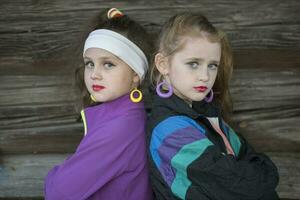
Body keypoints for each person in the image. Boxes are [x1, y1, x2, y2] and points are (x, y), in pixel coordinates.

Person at [147, 12, 279, 200]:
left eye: (212, 65)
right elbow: (236, 186)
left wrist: (260, 171)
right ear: (163, 64)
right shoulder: (169, 129)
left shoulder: (205, 113)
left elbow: (248, 158)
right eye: (193, 64)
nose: (205, 76)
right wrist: (267, 170)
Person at [44, 8, 153, 200]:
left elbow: (59, 192)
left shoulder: (120, 128)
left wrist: (56, 174)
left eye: (108, 64)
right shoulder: (123, 116)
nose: (94, 73)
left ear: (136, 74)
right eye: (89, 63)